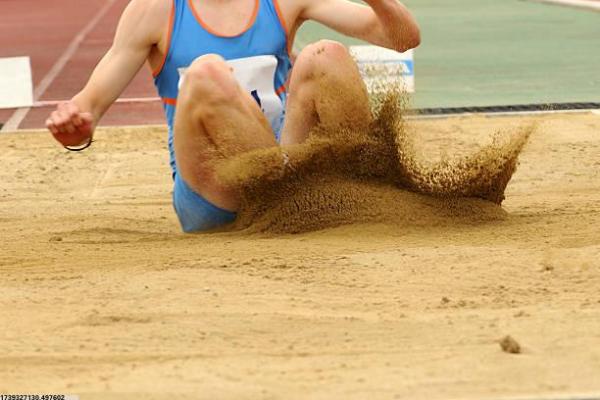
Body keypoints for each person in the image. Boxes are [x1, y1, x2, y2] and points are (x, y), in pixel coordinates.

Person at [46, 0, 421, 232]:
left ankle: (365, 196)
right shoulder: (155, 9)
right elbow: (87, 110)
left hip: (284, 169)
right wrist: (73, 128)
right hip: (215, 191)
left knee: (327, 55)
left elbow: (401, 37)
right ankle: (283, 197)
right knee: (207, 72)